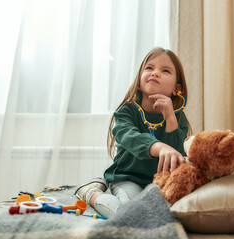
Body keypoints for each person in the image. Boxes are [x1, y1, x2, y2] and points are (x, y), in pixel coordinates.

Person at [74, 47, 191, 218]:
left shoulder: (179, 118)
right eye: (149, 68)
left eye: (165, 70)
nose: (155, 73)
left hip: (160, 182)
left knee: (166, 213)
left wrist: (170, 119)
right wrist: (159, 147)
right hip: (128, 178)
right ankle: (91, 193)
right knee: (130, 213)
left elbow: (178, 153)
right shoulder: (126, 111)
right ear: (138, 82)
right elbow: (129, 137)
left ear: (177, 88)